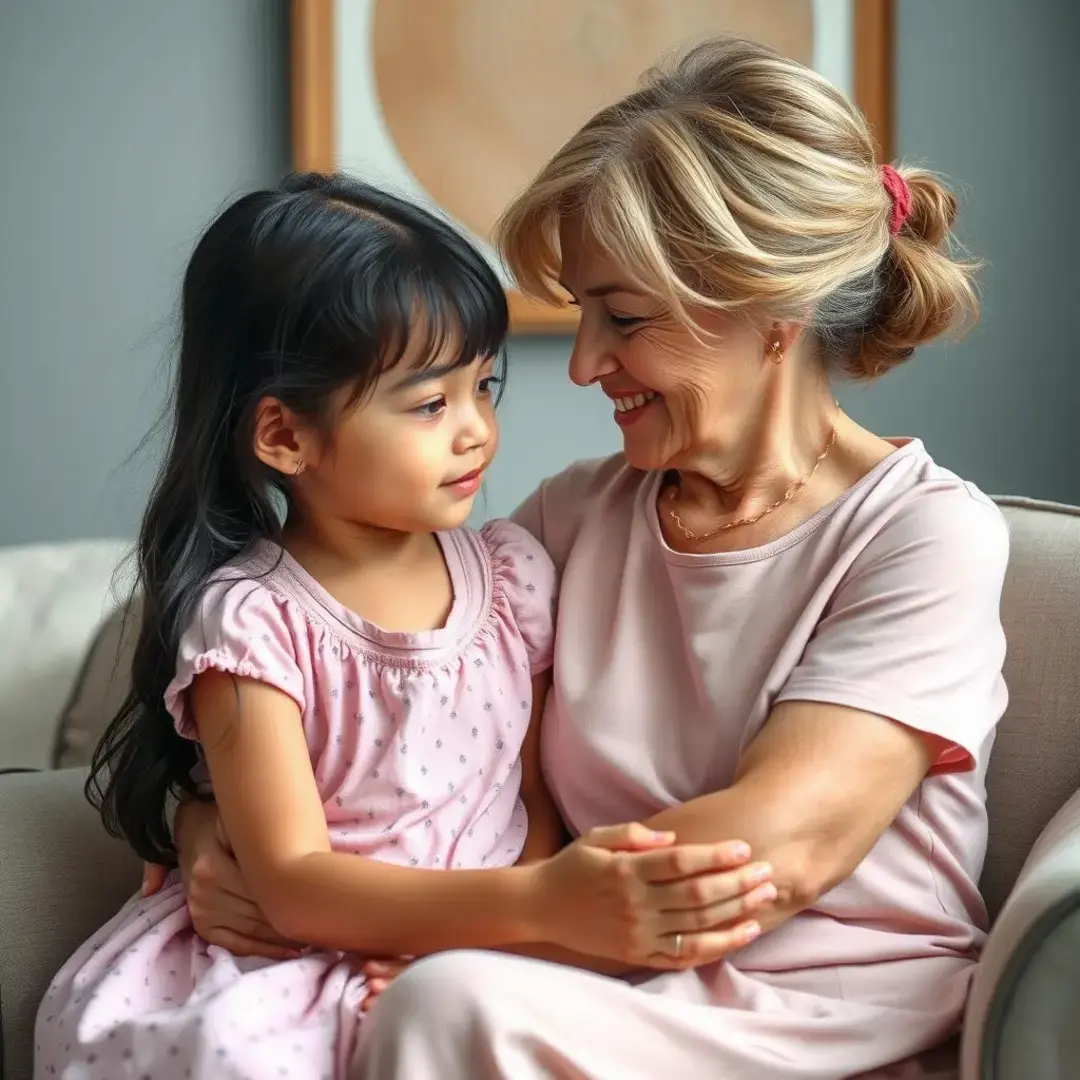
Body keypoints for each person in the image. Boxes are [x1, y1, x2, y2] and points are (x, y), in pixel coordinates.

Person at [164, 37, 1011, 1078]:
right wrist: (206, 824)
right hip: (595, 985)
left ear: (769, 313)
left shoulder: (923, 536)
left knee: (443, 1007)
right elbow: (372, 715)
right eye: (582, 315)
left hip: (817, 1008)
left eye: (624, 317)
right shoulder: (573, 522)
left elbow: (764, 862)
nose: (582, 364)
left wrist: (471, 932)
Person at [33, 173, 776, 1080]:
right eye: (430, 405)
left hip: (489, 947)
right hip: (293, 960)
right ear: (283, 436)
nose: (476, 433)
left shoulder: (512, 579)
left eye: (483, 389)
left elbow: (534, 804)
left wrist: (510, 931)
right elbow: (292, 880)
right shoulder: (254, 621)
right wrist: (537, 902)